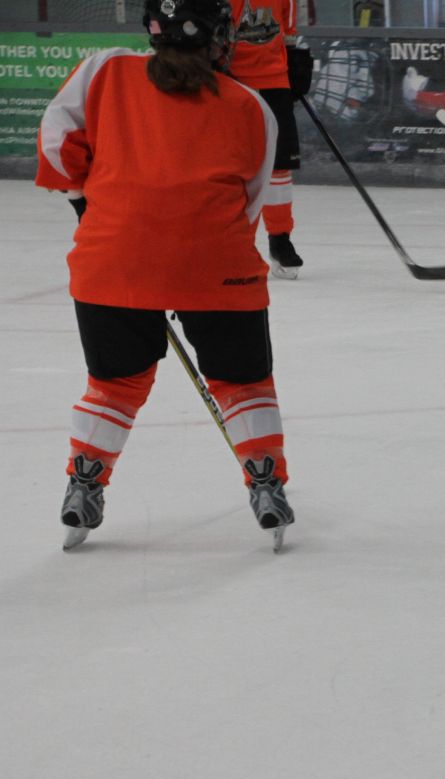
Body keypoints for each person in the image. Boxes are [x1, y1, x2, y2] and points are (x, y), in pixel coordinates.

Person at [35, 0, 294, 550]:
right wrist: (200, 250)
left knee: (115, 384)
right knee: (243, 382)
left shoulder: (105, 69)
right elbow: (251, 199)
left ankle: (84, 485)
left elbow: (56, 140)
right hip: (218, 266)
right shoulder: (250, 104)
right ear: (219, 37)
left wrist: (85, 202)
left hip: (112, 261)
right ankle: (267, 483)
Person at [230, 0, 314, 277]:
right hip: (230, 79)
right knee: (231, 168)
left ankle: (280, 239)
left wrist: (294, 57)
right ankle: (236, 242)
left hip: (274, 78)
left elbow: (288, 23)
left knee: (279, 166)